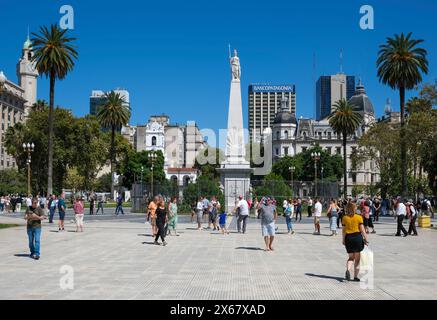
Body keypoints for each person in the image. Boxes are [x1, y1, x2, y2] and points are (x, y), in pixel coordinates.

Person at [342, 201, 368, 281]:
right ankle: (355, 277)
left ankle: (348, 270)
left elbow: (343, 231)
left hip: (348, 238)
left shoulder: (344, 218)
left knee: (350, 258)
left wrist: (343, 240)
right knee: (357, 259)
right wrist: (366, 239)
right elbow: (362, 230)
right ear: (355, 208)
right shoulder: (359, 217)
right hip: (357, 238)